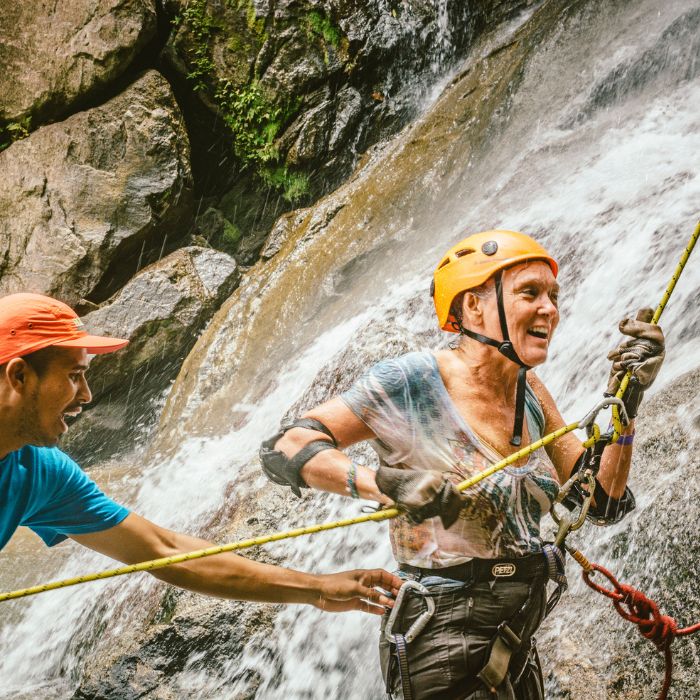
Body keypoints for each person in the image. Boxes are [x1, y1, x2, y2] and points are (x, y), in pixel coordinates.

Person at [260, 230, 665, 699]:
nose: (550, 309)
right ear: (474, 307)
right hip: (439, 634)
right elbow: (288, 446)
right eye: (529, 293)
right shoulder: (411, 381)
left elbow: (602, 500)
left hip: (514, 631)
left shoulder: (531, 391)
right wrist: (383, 484)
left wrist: (626, 400)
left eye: (553, 296)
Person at [0, 292, 401, 614]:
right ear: (18, 375)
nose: (86, 396)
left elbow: (166, 552)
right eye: (74, 376)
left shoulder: (41, 474)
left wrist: (318, 589)